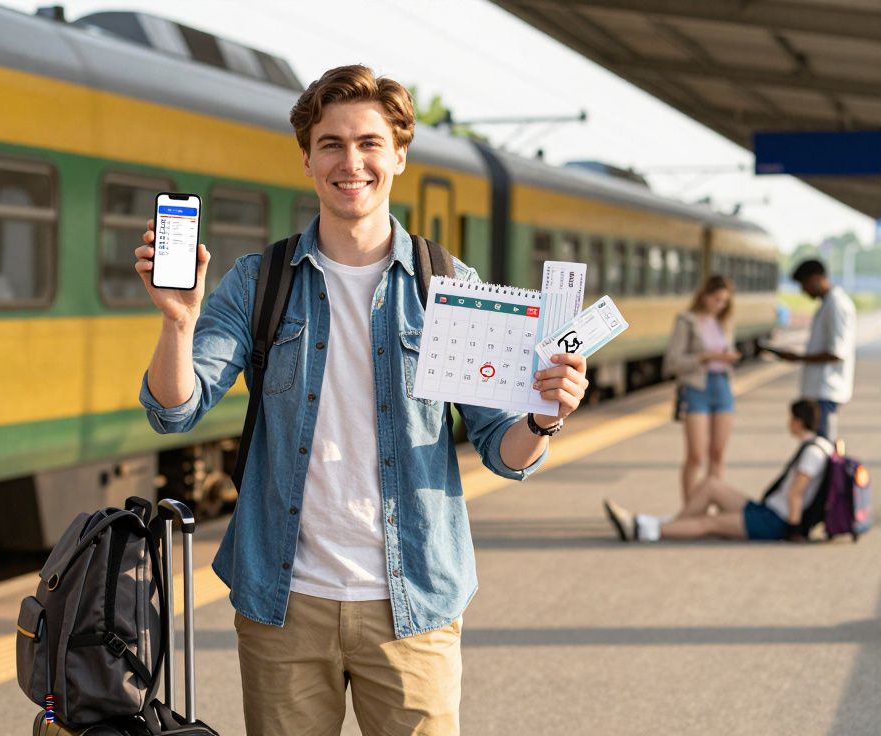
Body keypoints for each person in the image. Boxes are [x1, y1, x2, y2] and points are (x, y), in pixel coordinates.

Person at [134, 65, 589, 736]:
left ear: (399, 155)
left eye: (370, 143)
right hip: (285, 603)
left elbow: (505, 452)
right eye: (332, 144)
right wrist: (177, 321)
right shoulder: (258, 283)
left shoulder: (448, 286)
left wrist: (545, 417)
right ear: (308, 159)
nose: (352, 162)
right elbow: (175, 408)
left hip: (413, 608)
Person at [604, 400, 832, 543]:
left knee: (709, 523)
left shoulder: (813, 454)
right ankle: (668, 525)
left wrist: (792, 531)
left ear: (799, 422)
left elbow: (796, 494)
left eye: (791, 418)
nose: (788, 423)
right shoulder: (820, 446)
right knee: (711, 484)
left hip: (775, 523)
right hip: (768, 511)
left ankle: (639, 529)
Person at [664, 275, 741, 504]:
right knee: (696, 455)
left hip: (723, 387)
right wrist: (706, 357)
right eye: (717, 299)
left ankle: (711, 504)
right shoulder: (686, 320)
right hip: (697, 387)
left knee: (717, 454)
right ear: (705, 296)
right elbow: (673, 362)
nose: (721, 305)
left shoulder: (725, 323)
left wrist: (728, 358)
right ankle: (690, 509)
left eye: (725, 301)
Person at [761, 259, 856, 441]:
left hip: (826, 390)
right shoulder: (828, 303)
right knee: (817, 443)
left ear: (817, 278)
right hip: (820, 390)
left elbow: (836, 353)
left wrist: (799, 358)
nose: (803, 290)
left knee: (821, 446)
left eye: (804, 284)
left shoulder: (836, 305)